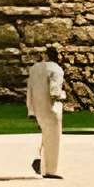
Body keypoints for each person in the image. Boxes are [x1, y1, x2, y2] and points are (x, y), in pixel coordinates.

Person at [25, 43, 66, 179]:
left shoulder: (34, 69)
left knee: (45, 135)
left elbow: (29, 91)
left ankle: (41, 161)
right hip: (52, 108)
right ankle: (50, 170)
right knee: (54, 139)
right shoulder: (56, 70)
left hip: (38, 108)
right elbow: (55, 92)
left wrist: (31, 110)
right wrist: (64, 95)